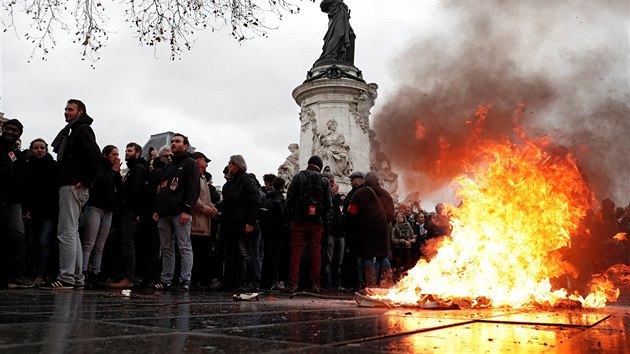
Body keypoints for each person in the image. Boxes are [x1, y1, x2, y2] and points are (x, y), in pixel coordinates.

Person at [43, 99, 101, 289]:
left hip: (72, 185)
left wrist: (84, 180)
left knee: (66, 231)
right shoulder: (76, 130)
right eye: (65, 109)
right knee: (73, 232)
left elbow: (94, 155)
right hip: (74, 185)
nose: (66, 112)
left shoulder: (81, 130)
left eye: (70, 109)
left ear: (80, 112)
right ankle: (76, 277)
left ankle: (67, 276)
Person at [152, 134, 200, 292]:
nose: (173, 144)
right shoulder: (169, 165)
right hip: (164, 213)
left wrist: (187, 209)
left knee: (184, 246)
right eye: (172, 141)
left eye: (177, 141)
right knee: (166, 248)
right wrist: (157, 209)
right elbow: (163, 188)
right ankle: (166, 279)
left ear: (185, 145)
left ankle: (185, 280)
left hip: (181, 212)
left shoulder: (190, 163)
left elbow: (193, 188)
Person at [284, 155, 332, 293]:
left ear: (308, 164)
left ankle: (293, 283)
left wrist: (290, 217)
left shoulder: (298, 177)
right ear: (320, 166)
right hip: (316, 223)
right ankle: (315, 284)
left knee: (295, 252)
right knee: (316, 252)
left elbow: (289, 199)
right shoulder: (324, 180)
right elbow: (328, 204)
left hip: (298, 221)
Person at [218, 155, 262, 292]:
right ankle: (232, 281)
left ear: (236, 165)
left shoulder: (245, 180)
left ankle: (252, 282)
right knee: (232, 254)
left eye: (230, 163)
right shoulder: (231, 183)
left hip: (242, 224)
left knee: (247, 253)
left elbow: (255, 201)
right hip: (231, 224)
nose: (228, 166)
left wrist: (250, 222)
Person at [346, 171, 395, 289]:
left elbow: (351, 213)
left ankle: (370, 286)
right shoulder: (386, 194)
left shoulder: (359, 193)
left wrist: (355, 226)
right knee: (383, 256)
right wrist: (384, 223)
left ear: (365, 181)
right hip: (382, 230)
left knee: (367, 256)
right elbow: (391, 213)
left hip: (365, 230)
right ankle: (387, 285)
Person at [81, 145, 122, 287]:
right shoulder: (99, 167)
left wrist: (116, 173)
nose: (116, 157)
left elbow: (118, 187)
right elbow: (104, 182)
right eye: (113, 154)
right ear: (105, 155)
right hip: (95, 207)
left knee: (100, 245)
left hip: (108, 211)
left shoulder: (114, 171)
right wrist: (114, 171)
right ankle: (83, 272)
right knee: (89, 243)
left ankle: (96, 272)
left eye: (117, 154)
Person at [110, 143, 148, 289]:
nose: (126, 153)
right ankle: (126, 275)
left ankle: (129, 277)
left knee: (128, 243)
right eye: (126, 150)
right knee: (125, 243)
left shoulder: (137, 169)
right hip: (128, 210)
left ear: (138, 153)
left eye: (130, 150)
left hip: (130, 211)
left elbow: (136, 193)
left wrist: (129, 206)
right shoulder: (134, 168)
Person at [0, 119, 33, 289]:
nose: (11, 132)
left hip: (13, 202)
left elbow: (24, 181)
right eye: (8, 129)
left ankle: (16, 276)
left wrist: (25, 206)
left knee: (17, 237)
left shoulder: (19, 156)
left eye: (15, 131)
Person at [22, 138, 59, 285]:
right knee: (31, 242)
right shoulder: (27, 167)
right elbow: (25, 189)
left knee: (44, 241)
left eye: (42, 148)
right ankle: (31, 272)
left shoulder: (53, 166)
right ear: (31, 150)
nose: (39, 150)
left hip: (49, 212)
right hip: (32, 211)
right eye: (36, 148)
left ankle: (41, 274)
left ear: (46, 149)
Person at [190, 151, 218, 289]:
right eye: (204, 160)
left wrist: (212, 208)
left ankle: (199, 279)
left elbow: (206, 199)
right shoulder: (195, 177)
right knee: (196, 252)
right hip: (197, 221)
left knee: (201, 252)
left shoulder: (201, 178)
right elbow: (194, 198)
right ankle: (194, 280)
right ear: (198, 161)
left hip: (203, 222)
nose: (206, 164)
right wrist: (207, 209)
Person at [314, 0, 355, 66]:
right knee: (336, 36)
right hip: (335, 22)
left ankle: (338, 57)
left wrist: (350, 28)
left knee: (341, 38)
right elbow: (322, 5)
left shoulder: (342, 5)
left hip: (343, 25)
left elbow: (345, 19)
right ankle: (330, 55)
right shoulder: (335, 3)